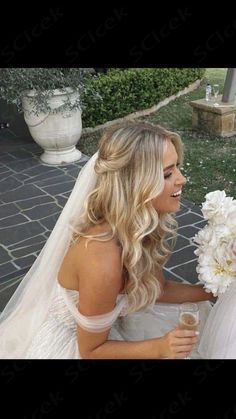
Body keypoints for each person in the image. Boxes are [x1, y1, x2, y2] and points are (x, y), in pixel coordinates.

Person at [0, 121, 214, 359]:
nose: (181, 179)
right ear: (134, 185)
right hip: (79, 346)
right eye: (167, 173)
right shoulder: (102, 260)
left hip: (105, 330)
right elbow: (91, 351)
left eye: (177, 168)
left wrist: (213, 290)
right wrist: (161, 347)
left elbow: (158, 289)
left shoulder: (136, 229)